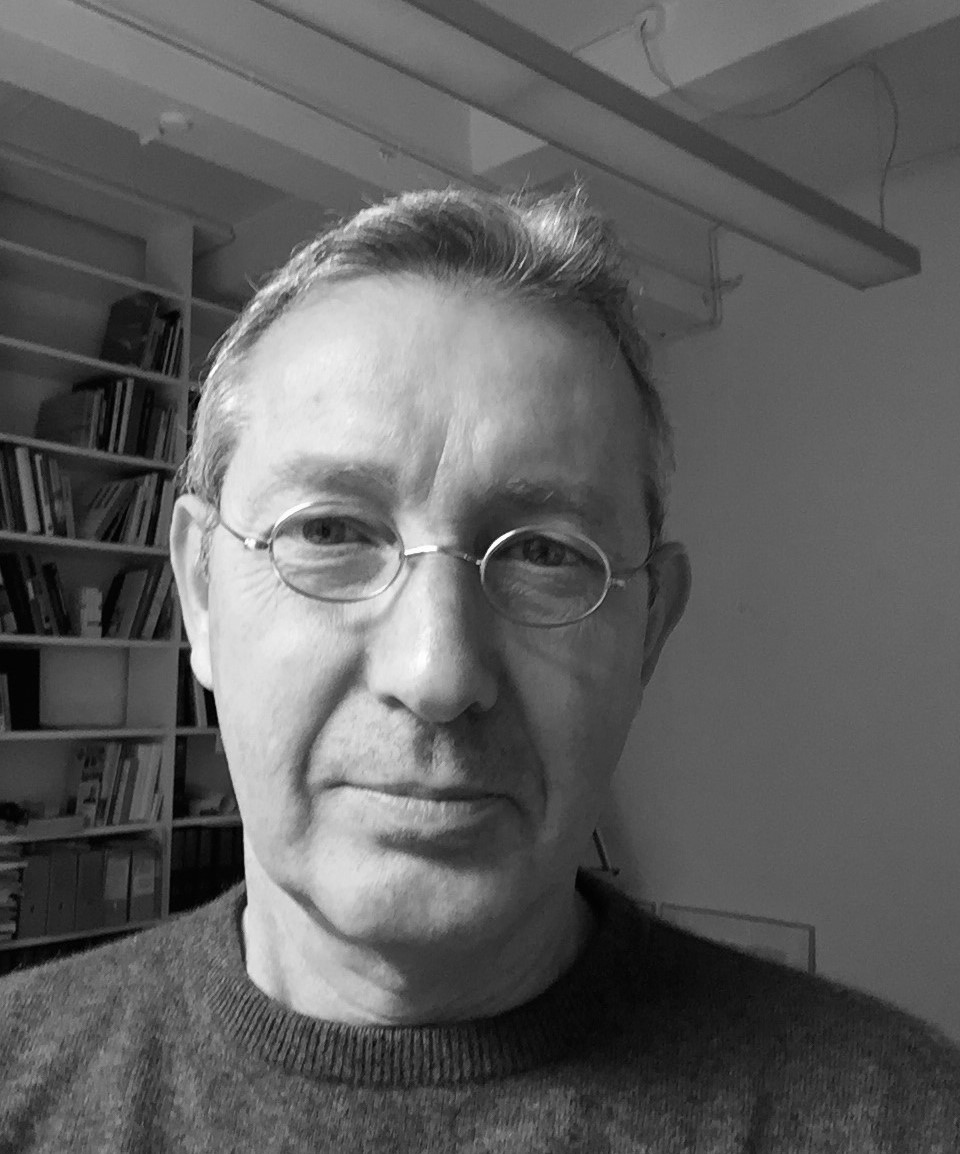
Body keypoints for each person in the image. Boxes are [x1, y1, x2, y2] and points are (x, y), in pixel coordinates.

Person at [1, 187, 958, 1152]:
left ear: (648, 633)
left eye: (544, 553)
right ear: (201, 593)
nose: (437, 673)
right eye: (330, 532)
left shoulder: (904, 1120)